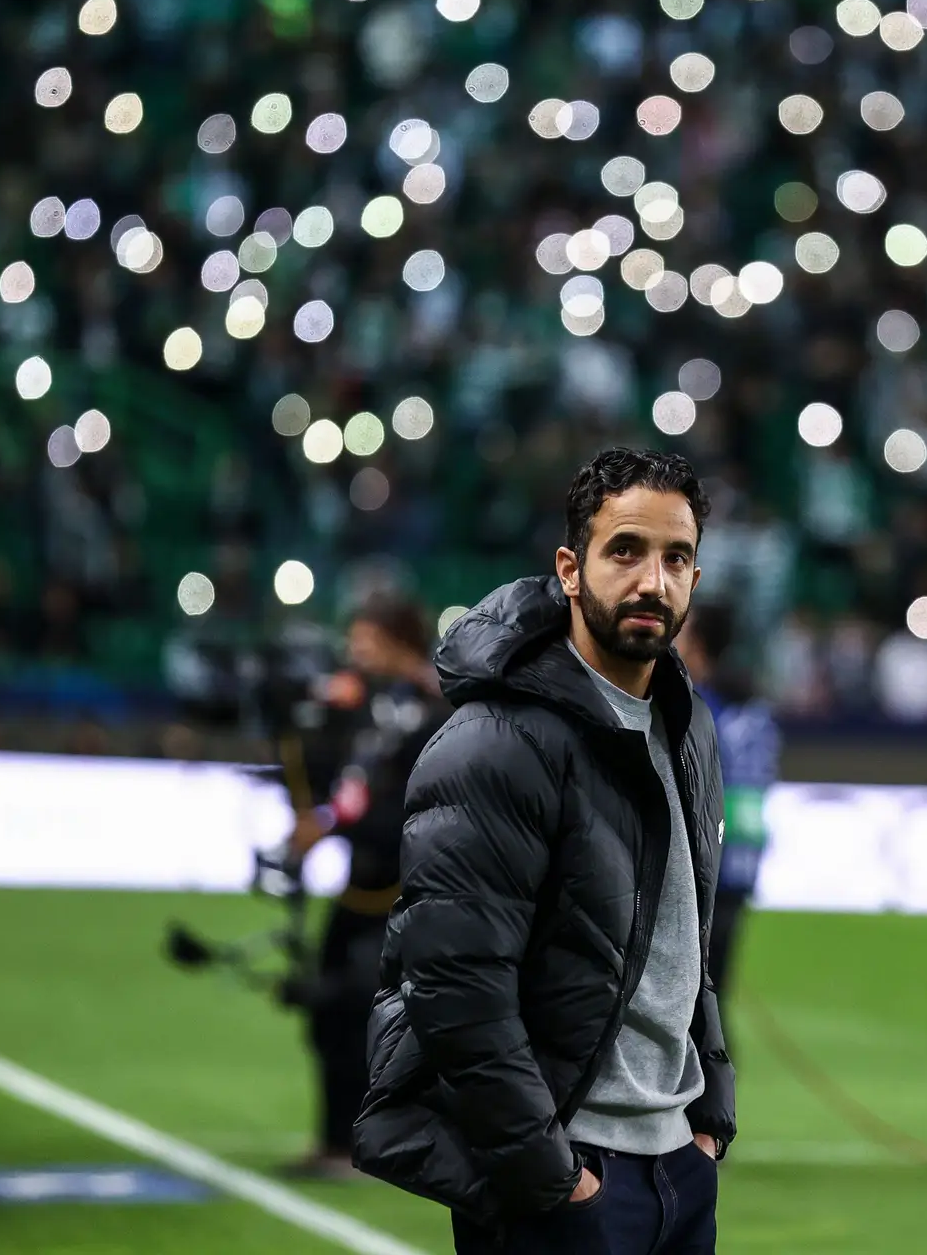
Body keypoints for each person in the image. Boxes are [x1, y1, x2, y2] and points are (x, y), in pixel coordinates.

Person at [355, 448, 734, 1255]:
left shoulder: (687, 723)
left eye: (677, 559)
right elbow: (455, 986)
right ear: (570, 567)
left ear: (696, 579)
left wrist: (709, 1121)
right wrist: (556, 1179)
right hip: (569, 1180)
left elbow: (685, 942)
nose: (652, 582)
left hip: (678, 1168)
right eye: (624, 550)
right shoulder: (495, 742)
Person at [282, 593, 449, 1179]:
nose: (354, 654)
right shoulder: (369, 710)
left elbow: (409, 808)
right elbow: (340, 783)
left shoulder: (434, 711)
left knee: (367, 1017)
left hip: (408, 891)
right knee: (329, 1013)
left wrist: (331, 824)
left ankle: (369, 1145)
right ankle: (333, 1141)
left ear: (398, 641)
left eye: (366, 642)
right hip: (361, 885)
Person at [675, 603, 779, 1001]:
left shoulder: (702, 706)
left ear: (698, 643)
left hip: (707, 858)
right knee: (712, 995)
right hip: (743, 856)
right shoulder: (753, 706)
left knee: (692, 1000)